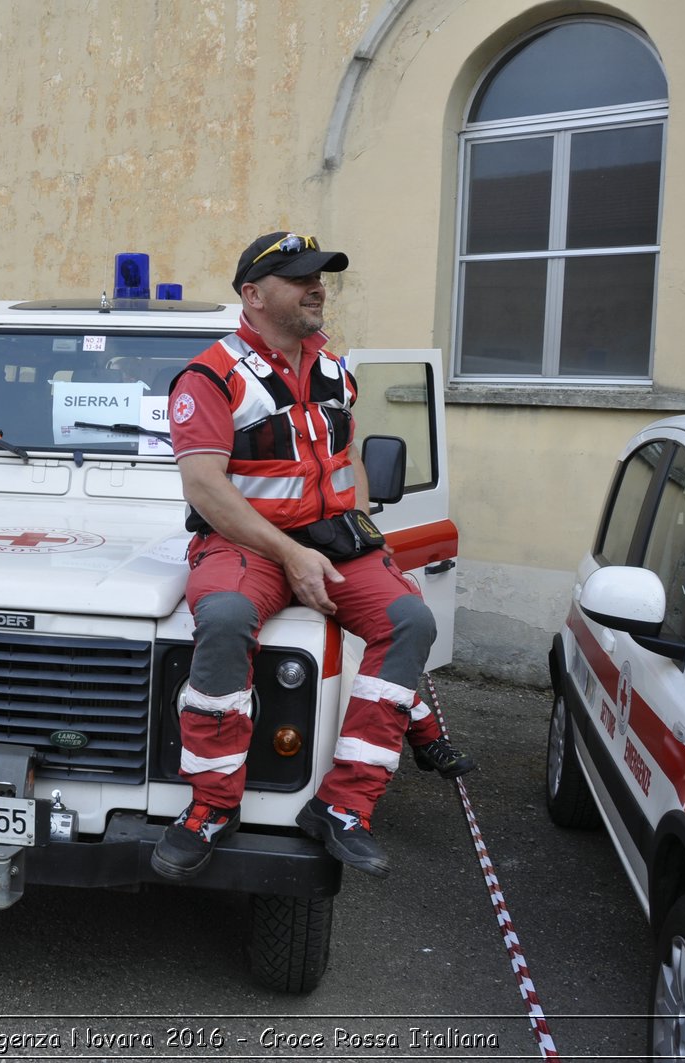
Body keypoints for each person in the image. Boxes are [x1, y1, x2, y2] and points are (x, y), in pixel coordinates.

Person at [151, 230, 475, 883]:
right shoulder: (210, 376)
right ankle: (212, 806)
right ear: (254, 294)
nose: (317, 287)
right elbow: (205, 488)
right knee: (222, 618)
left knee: (410, 620)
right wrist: (290, 557)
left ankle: (343, 806)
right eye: (301, 278)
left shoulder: (336, 370)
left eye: (320, 276)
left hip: (331, 539)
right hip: (246, 544)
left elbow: (345, 461)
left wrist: (366, 543)